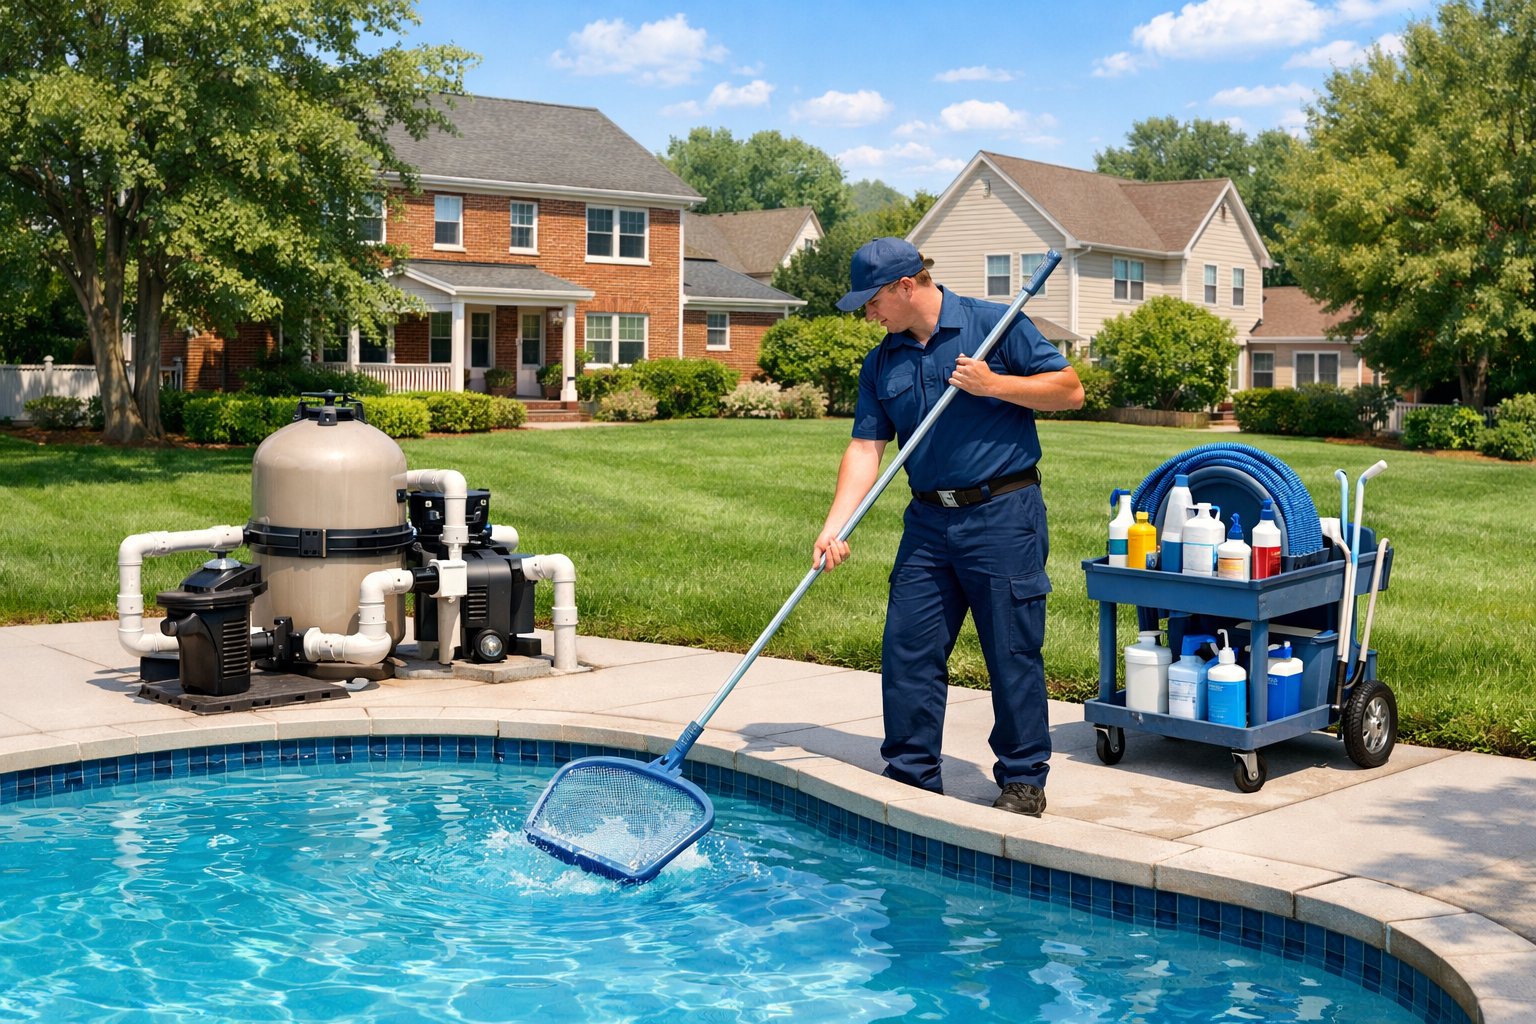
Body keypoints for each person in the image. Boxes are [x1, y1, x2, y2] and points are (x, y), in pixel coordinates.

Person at [814, 237, 1084, 816]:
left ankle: (1021, 778)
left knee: (1011, 650)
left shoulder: (997, 325)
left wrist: (995, 385)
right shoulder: (883, 360)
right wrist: (836, 526)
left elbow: (1070, 389)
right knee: (908, 648)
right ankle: (910, 774)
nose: (868, 314)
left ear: (904, 287)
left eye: (872, 301)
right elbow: (866, 447)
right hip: (928, 522)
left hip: (1003, 514)